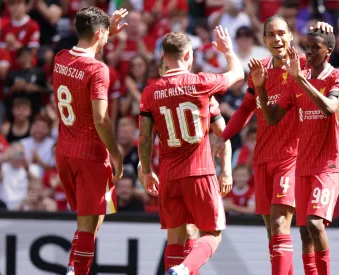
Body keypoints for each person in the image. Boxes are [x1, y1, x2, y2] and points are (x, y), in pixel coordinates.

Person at [215, 16, 333, 275]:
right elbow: (246, 109)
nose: (277, 39)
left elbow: (328, 65)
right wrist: (223, 136)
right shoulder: (260, 71)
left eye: (282, 33)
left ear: (291, 36)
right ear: (265, 39)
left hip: (293, 157)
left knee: (280, 225)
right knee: (272, 234)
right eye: (271, 35)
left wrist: (324, 32)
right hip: (263, 157)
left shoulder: (304, 65)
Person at [138, 27, 243, 275]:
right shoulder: (201, 84)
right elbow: (238, 73)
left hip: (169, 175)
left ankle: (178, 268)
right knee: (213, 233)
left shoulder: (150, 92)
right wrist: (227, 50)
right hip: (199, 171)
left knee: (176, 237)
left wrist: (146, 170)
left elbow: (144, 137)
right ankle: (185, 268)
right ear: (188, 56)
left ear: (164, 56)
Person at [253, 27, 339, 275]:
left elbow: (329, 107)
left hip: (328, 164)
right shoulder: (297, 79)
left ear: (328, 51)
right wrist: (261, 87)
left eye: (315, 48)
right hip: (302, 165)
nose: (309, 51)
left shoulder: (338, 76)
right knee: (305, 232)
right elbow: (272, 118)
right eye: (307, 46)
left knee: (315, 224)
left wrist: (301, 80)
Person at [51, 7, 128, 275]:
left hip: (65, 151)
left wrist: (108, 33)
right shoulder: (99, 70)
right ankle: (76, 271)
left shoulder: (60, 58)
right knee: (89, 225)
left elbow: (85, 65)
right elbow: (102, 118)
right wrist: (116, 154)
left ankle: (74, 267)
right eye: (105, 34)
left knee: (90, 221)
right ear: (98, 34)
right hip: (91, 154)